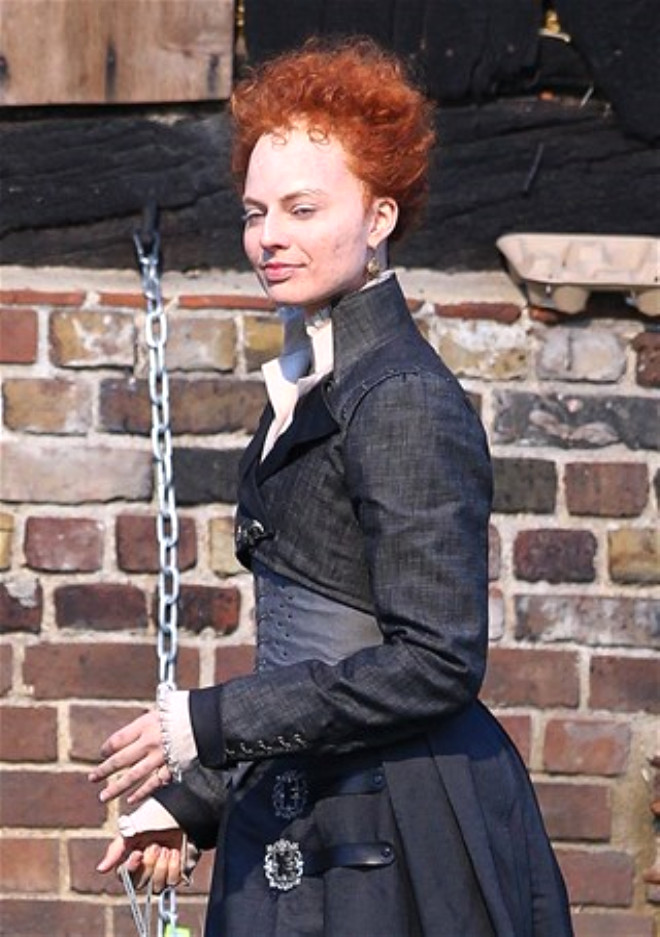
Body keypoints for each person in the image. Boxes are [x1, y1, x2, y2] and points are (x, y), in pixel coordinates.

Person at [90, 37, 574, 937]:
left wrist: (208, 722)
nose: (269, 237)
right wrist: (196, 797)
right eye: (256, 212)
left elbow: (435, 662)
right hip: (303, 806)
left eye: (303, 208)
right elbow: (313, 654)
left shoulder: (400, 396)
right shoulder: (313, 379)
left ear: (380, 215)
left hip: (396, 834)